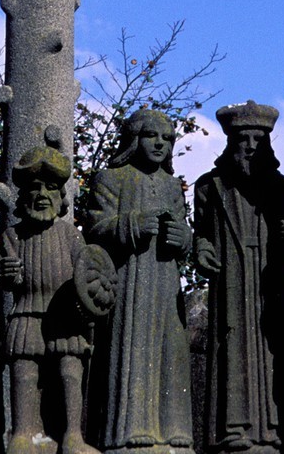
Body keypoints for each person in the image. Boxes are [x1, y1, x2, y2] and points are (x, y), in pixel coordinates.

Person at [84, 109, 193, 454]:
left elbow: (185, 236)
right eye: (152, 136)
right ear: (134, 140)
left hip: (165, 281)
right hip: (130, 280)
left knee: (171, 350)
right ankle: (130, 429)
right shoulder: (111, 179)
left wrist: (183, 238)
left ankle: (176, 429)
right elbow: (94, 229)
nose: (160, 143)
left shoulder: (172, 185)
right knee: (132, 349)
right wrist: (132, 224)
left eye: (167, 138)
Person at [193, 103, 284, 454]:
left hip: (271, 280)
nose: (251, 145)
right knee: (232, 345)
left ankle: (280, 426)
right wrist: (202, 248)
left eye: (259, 138)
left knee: (275, 346)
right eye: (244, 138)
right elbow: (203, 234)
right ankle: (233, 428)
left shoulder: (283, 188)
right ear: (230, 142)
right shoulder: (210, 187)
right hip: (232, 280)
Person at [1, 145, 110, 454]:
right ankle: (24, 433)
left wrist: (89, 299)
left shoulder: (71, 235)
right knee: (25, 373)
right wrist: (9, 274)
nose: (42, 195)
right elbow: (9, 280)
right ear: (23, 197)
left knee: (69, 371)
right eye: (34, 188)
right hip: (27, 312)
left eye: (50, 188)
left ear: (61, 197)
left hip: (64, 315)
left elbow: (87, 272)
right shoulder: (13, 235)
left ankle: (73, 435)